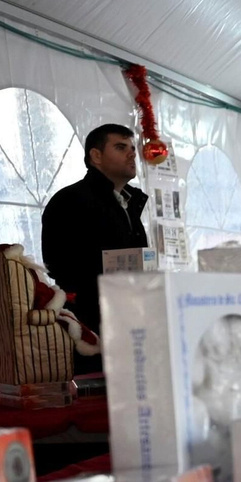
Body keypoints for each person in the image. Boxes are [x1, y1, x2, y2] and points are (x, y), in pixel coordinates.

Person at [41, 124, 149, 347]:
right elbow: (58, 265)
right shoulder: (70, 201)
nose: (131, 153)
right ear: (96, 156)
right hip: (92, 327)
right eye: (120, 147)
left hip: (131, 317)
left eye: (132, 148)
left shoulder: (129, 204)